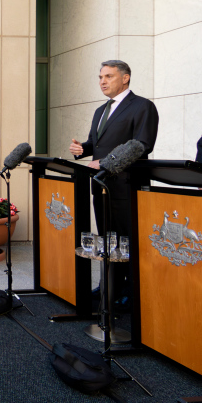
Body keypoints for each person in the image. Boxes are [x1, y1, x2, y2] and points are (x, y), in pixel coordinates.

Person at [69, 60, 159, 309]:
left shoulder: (143, 106)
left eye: (108, 76)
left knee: (128, 241)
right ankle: (110, 285)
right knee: (109, 239)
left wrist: (106, 162)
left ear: (125, 78)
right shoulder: (101, 110)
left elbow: (142, 144)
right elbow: (95, 144)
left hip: (127, 186)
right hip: (102, 186)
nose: (102, 81)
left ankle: (133, 291)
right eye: (100, 77)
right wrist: (82, 150)